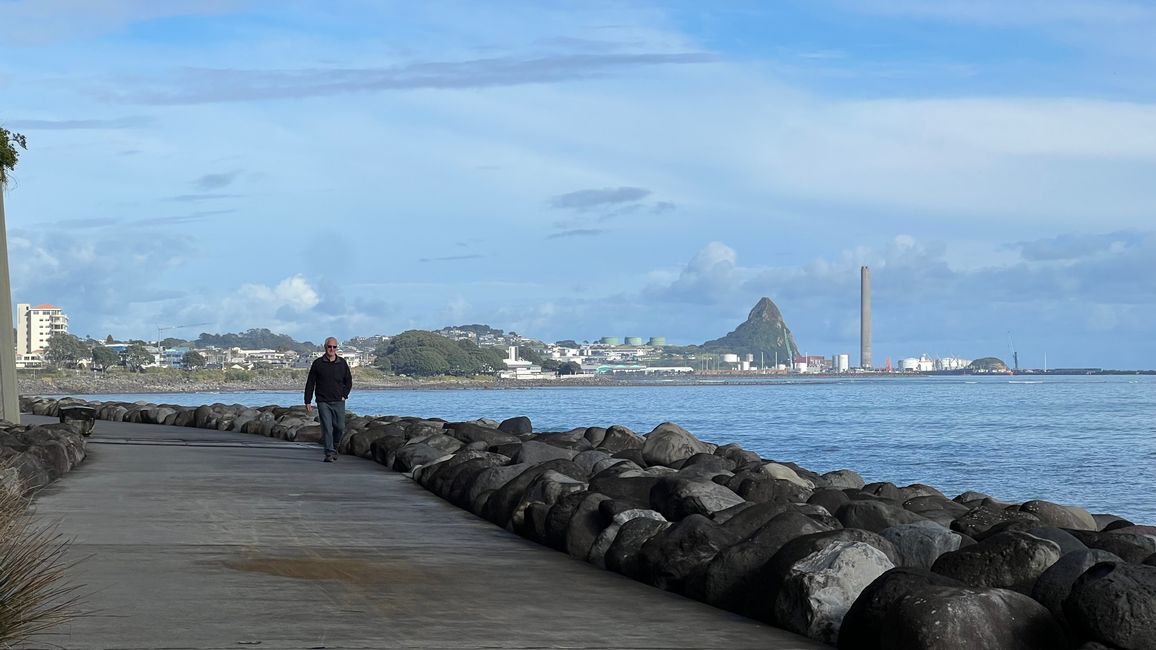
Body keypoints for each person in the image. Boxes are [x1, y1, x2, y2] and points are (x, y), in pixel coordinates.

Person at [304, 337, 352, 462]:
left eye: (334, 347)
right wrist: (307, 400)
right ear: (325, 347)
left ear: (337, 348)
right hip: (322, 401)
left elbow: (348, 381)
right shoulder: (318, 363)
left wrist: (344, 395)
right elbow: (310, 382)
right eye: (329, 346)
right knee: (327, 428)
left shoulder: (342, 363)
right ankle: (329, 453)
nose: (332, 349)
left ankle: (335, 446)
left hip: (338, 401)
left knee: (340, 427)